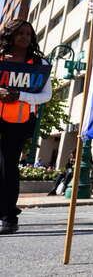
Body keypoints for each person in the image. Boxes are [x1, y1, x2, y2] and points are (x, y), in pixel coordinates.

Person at [0, 20, 52, 235]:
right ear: (10, 35)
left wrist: (19, 95)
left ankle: (8, 217)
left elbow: (46, 95)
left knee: (7, 167)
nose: (24, 37)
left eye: (28, 34)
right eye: (19, 33)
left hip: (19, 123)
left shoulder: (39, 63)